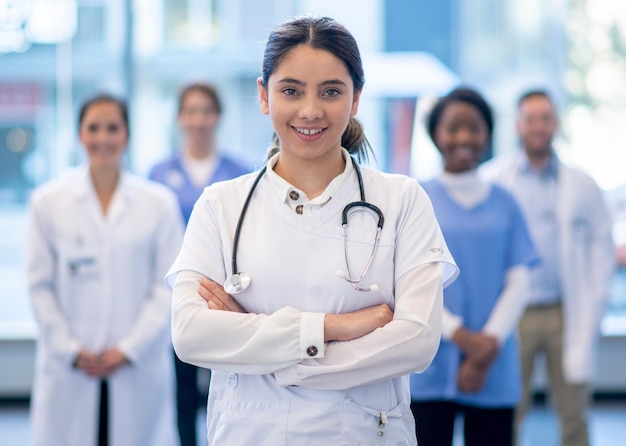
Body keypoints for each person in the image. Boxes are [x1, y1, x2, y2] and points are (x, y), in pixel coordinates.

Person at [166, 15, 459, 445]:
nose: (310, 110)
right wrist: (335, 327)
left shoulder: (402, 200)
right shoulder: (220, 205)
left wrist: (280, 361)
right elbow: (190, 335)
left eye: (331, 91)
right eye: (291, 90)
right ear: (264, 96)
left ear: (356, 98)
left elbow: (416, 340)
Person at [27, 93, 183, 446]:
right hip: (70, 366)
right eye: (93, 128)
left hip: (137, 365)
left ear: (126, 135)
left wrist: (129, 348)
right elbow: (39, 286)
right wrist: (70, 348)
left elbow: (169, 284)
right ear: (80, 134)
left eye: (112, 128)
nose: (103, 138)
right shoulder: (48, 203)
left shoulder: (158, 204)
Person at [480, 89, 615, 446]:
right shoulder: (494, 179)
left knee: (574, 413)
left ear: (555, 124)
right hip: (514, 312)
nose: (538, 126)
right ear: (518, 125)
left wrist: (597, 299)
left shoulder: (581, 184)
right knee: (509, 408)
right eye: (531, 119)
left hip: (564, 310)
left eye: (545, 118)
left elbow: (603, 243)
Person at [409, 87, 538, 446]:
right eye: (453, 127)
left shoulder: (506, 203)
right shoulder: (416, 199)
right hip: (430, 358)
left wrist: (485, 348)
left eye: (474, 127)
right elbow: (408, 284)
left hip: (493, 360)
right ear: (436, 134)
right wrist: (463, 338)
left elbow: (519, 281)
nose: (464, 137)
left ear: (488, 134)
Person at [149, 82, 250, 446]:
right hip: (179, 293)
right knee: (183, 387)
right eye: (191, 111)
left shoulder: (240, 173)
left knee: (229, 383)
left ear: (217, 117)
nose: (199, 119)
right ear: (180, 117)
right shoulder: (160, 174)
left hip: (227, 294)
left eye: (206, 111)